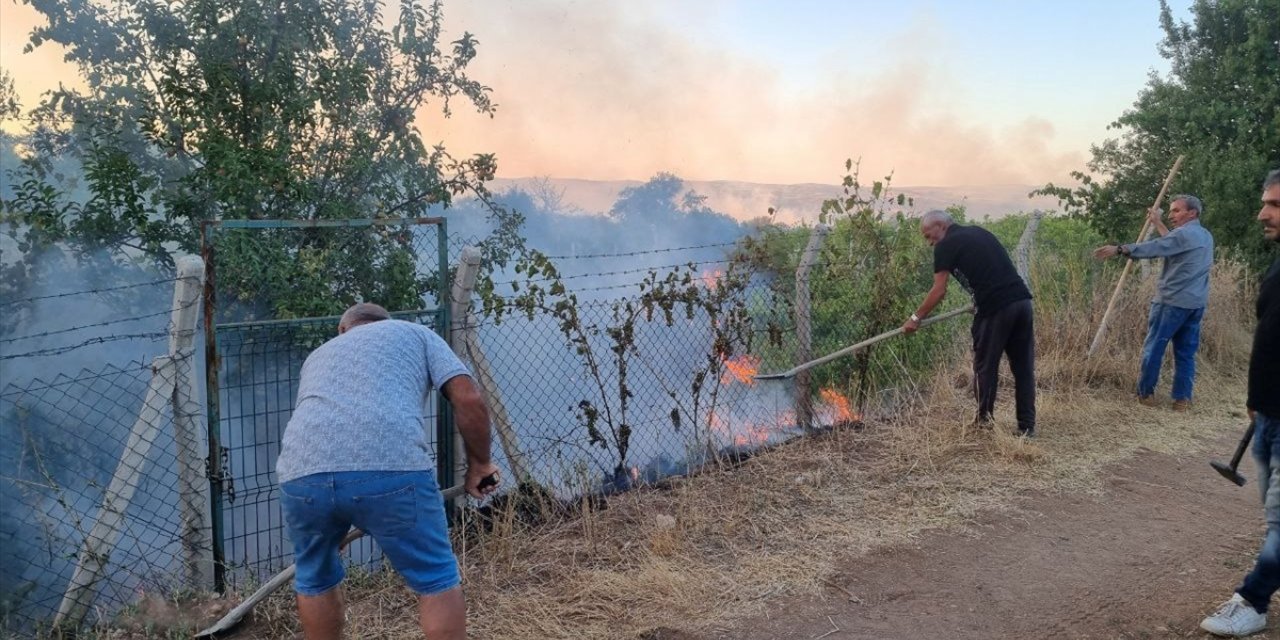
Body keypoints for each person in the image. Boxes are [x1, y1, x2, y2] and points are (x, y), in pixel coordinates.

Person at [274, 302, 500, 640]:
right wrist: (480, 465)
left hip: (302, 475)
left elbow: (322, 426)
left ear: (343, 329)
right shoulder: (416, 334)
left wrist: (332, 518)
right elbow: (468, 399)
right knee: (436, 577)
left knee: (315, 577)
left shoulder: (319, 354)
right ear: (384, 322)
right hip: (392, 468)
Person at [1199, 170, 1280, 637]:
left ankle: (1252, 600)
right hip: (1270, 413)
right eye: (1264, 202)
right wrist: (1257, 398)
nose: (1261, 213)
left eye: (1273, 205)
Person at [902, 210, 1036, 437]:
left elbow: (939, 290)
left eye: (928, 235)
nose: (929, 243)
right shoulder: (978, 231)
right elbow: (992, 270)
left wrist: (916, 318)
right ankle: (1027, 427)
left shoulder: (946, 244)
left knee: (985, 367)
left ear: (941, 226)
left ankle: (984, 424)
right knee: (1023, 369)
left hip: (996, 308)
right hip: (1022, 302)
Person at [1093, 195, 1214, 410]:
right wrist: (1157, 223)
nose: (1171, 215)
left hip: (1171, 302)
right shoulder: (1204, 235)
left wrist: (1120, 249)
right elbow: (1172, 244)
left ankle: (1145, 394)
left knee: (1154, 349)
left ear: (1192, 213)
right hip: (1195, 304)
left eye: (1177, 210)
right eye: (1170, 211)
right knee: (1186, 353)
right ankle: (1182, 400)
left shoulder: (1184, 234)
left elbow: (1158, 247)